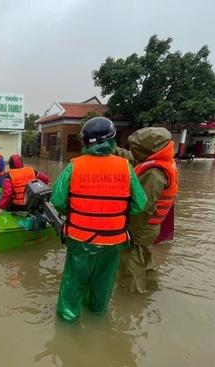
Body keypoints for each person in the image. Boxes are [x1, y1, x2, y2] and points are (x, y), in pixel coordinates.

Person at [51, 117, 147, 322]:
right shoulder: (125, 167)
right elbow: (140, 205)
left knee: (74, 280)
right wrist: (115, 210)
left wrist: (78, 211)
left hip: (80, 238)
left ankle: (68, 320)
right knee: (103, 281)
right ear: (112, 141)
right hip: (113, 240)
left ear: (85, 142)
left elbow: (58, 200)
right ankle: (96, 314)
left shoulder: (74, 166)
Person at [116, 127, 178, 294]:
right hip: (150, 227)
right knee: (145, 260)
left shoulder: (154, 174)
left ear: (147, 151)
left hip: (142, 227)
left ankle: (131, 302)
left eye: (135, 148)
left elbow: (143, 208)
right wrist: (110, 147)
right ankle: (150, 290)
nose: (132, 151)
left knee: (131, 266)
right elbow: (131, 157)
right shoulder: (159, 160)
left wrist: (128, 233)